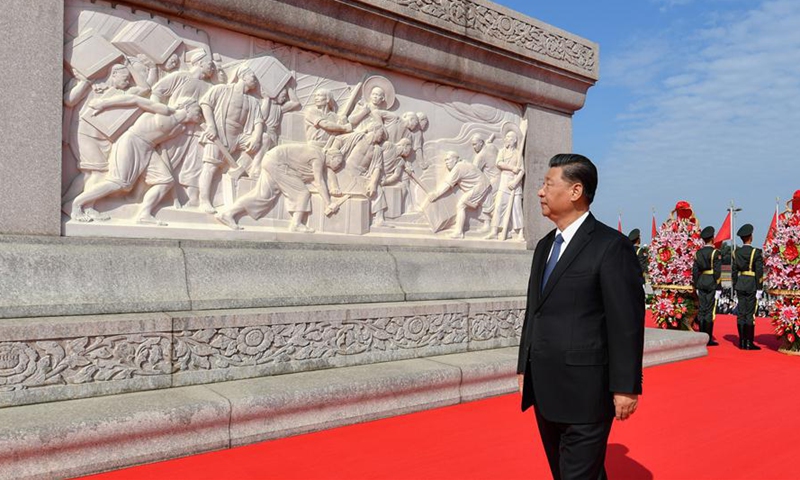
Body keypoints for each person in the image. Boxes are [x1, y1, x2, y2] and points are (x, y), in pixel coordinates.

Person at [517, 153, 644, 480]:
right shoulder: (545, 246)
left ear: (575, 191)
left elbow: (626, 322)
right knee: (566, 473)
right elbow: (535, 311)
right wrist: (524, 367)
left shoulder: (610, 246)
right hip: (545, 388)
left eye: (548, 183)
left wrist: (626, 387)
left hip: (586, 391)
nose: (540, 192)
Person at [70, 96, 204, 223]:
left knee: (165, 181)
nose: (200, 116)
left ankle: (144, 215)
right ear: (187, 108)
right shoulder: (165, 111)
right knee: (120, 183)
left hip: (148, 149)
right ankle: (77, 204)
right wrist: (104, 103)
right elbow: (135, 100)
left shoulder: (180, 128)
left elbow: (162, 146)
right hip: (132, 141)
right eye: (197, 111)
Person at [214, 144, 343, 232]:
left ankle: (227, 214)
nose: (338, 166)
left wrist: (327, 201)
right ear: (332, 156)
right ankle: (296, 224)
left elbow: (315, 181)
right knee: (302, 193)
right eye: (338, 161)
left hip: (270, 159)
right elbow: (319, 181)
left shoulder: (315, 153)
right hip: (277, 163)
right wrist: (328, 203)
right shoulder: (318, 157)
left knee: (261, 195)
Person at [426, 151, 491, 239]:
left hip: (479, 186)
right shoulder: (464, 163)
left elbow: (447, 184)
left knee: (461, 204)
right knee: (477, 203)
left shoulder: (458, 167)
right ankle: (487, 223)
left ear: (455, 159)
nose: (446, 162)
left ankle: (458, 232)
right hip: (484, 184)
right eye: (445, 160)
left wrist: (435, 195)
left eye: (448, 159)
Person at [731, 224, 763, 350]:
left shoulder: (736, 252)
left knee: (741, 314)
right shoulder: (756, 252)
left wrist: (735, 285)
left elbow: (733, 272)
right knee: (750, 315)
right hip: (751, 284)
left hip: (740, 283)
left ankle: (742, 341)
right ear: (750, 237)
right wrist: (760, 287)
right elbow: (759, 271)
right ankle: (749, 342)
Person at [692, 226, 722, 346]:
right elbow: (717, 271)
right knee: (709, 311)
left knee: (702, 310)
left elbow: (695, 271)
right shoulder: (715, 253)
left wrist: (696, 284)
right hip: (711, 281)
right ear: (712, 238)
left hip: (701, 281)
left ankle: (701, 336)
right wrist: (718, 285)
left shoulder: (698, 253)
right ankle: (708, 338)